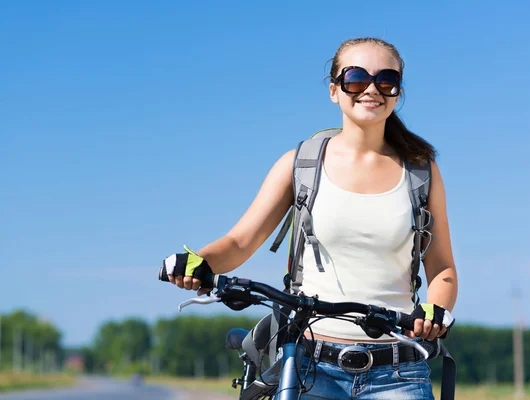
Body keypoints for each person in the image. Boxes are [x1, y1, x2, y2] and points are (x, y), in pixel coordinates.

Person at [164, 37, 458, 399]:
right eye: (355, 78)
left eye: (385, 79)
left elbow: (442, 267)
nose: (371, 89)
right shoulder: (301, 164)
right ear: (334, 90)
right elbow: (240, 242)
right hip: (309, 366)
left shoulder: (421, 171)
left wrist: (435, 310)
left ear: (397, 91)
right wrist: (198, 262)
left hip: (397, 373)